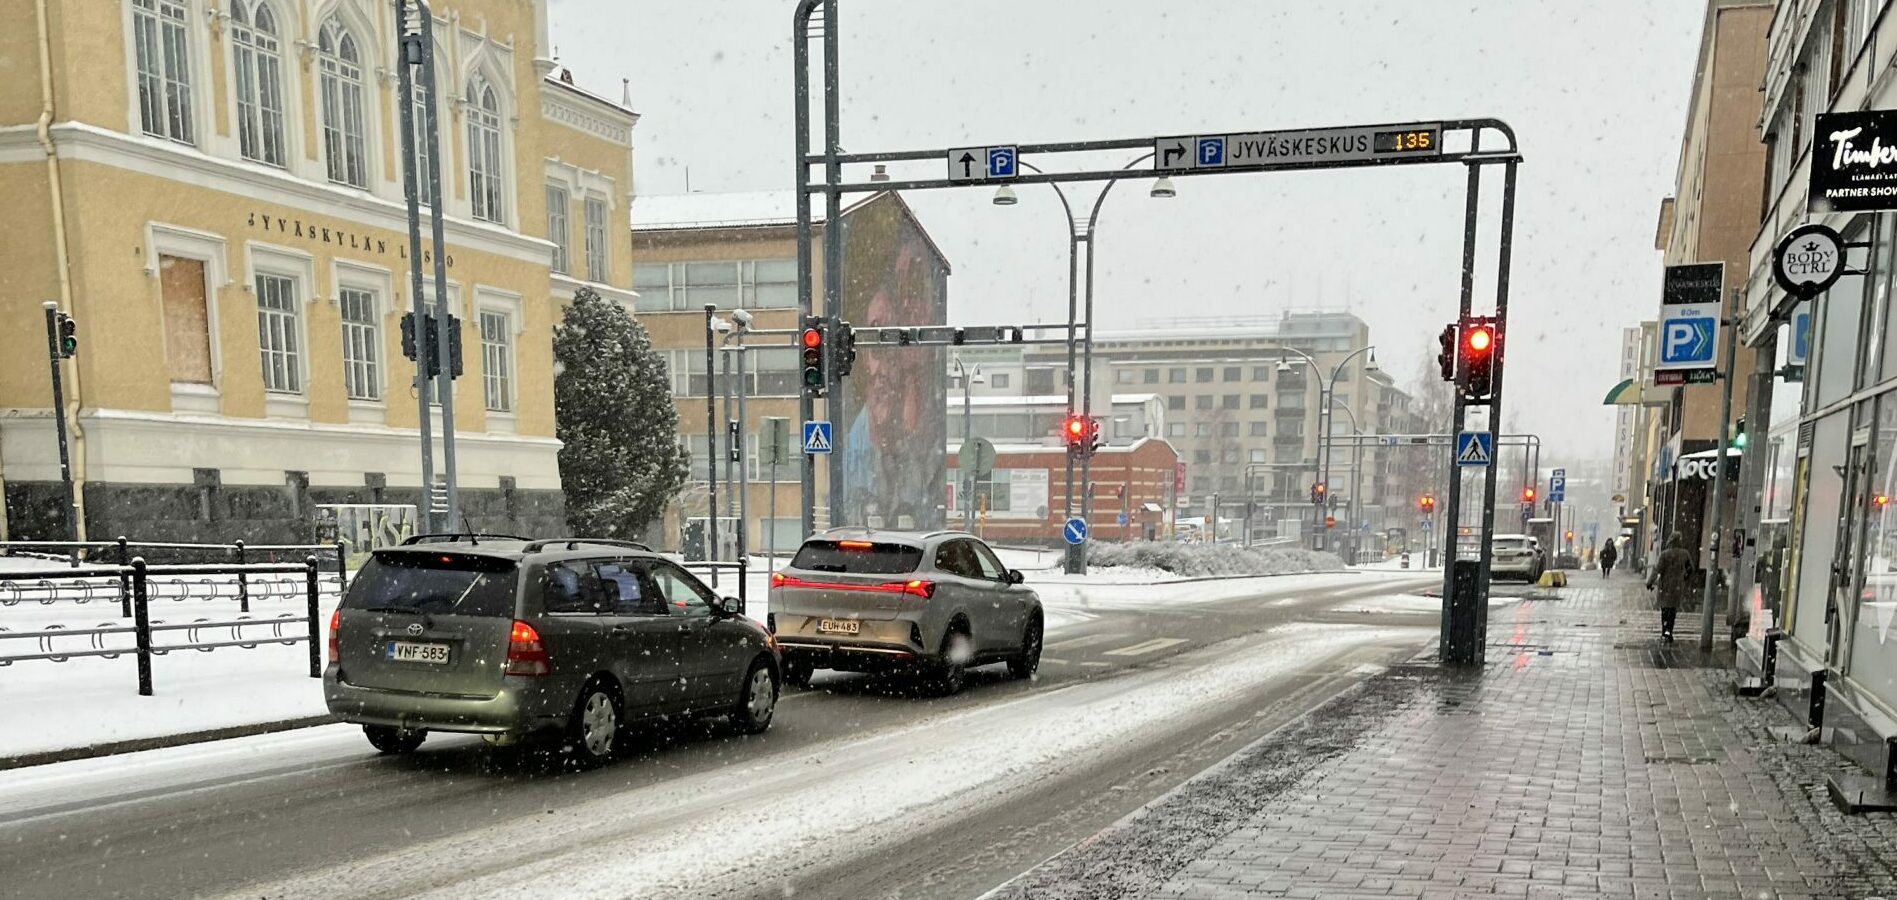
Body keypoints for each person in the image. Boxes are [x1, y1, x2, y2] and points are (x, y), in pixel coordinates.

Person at [1646, 532, 1695, 642]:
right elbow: (1691, 568)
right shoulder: (1685, 554)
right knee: (1673, 610)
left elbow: (1657, 570)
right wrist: (1684, 577)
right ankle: (1669, 630)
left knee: (1665, 609)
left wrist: (1650, 583)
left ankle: (1665, 630)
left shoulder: (1664, 554)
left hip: (1665, 585)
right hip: (1677, 586)